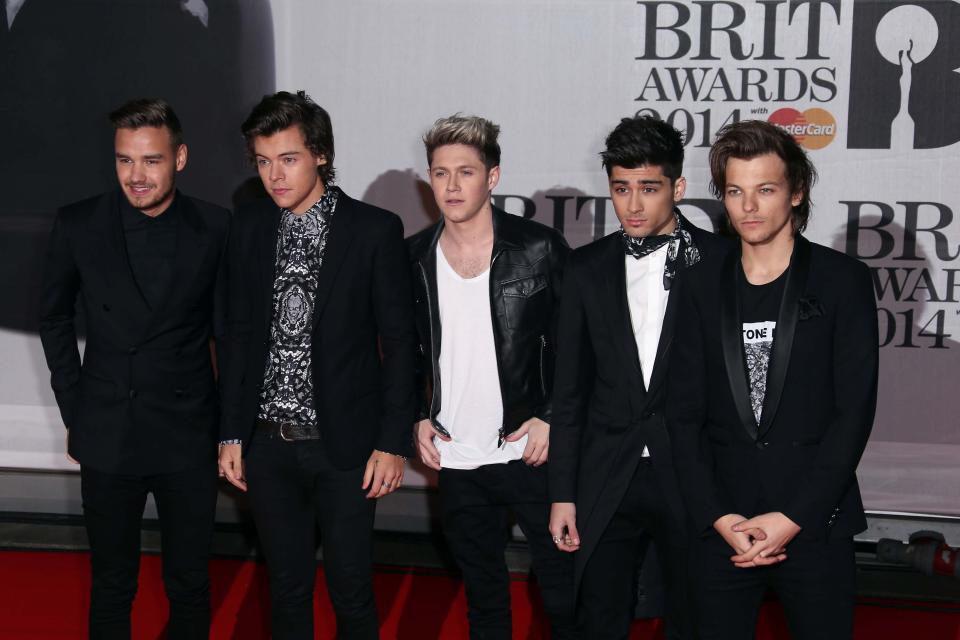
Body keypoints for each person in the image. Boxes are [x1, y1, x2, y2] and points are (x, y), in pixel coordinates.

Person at [667, 120, 878, 639]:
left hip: (815, 524)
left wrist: (794, 516)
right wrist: (719, 518)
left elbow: (853, 413)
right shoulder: (698, 287)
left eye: (765, 189)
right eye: (736, 192)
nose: (749, 207)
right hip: (724, 528)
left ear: (796, 192)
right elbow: (682, 413)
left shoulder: (842, 281)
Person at [217, 90, 416, 640]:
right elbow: (237, 338)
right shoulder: (251, 227)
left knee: (351, 591)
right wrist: (231, 431)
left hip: (345, 447)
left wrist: (392, 441)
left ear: (321, 154)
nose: (274, 176)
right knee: (286, 589)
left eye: (288, 159)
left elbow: (400, 345)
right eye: (262, 162)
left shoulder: (373, 230)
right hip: (268, 445)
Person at [38, 98, 229, 639]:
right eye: (125, 160)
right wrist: (78, 409)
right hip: (108, 433)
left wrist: (230, 428)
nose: (136, 176)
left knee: (189, 583)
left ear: (180, 158)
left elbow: (230, 336)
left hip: (187, 433)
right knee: (112, 583)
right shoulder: (78, 223)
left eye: (150, 161)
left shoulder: (215, 227)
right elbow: (53, 317)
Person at [548, 115, 728, 638]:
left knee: (693, 617)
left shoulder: (720, 263)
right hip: (608, 471)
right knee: (599, 617)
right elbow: (570, 389)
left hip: (692, 470)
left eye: (648, 189)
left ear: (679, 187)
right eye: (621, 189)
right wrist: (563, 492)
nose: (633, 204)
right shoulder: (586, 268)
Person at [408, 114, 576, 639]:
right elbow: (406, 350)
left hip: (530, 451)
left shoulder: (539, 248)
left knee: (564, 593)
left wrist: (550, 417)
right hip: (457, 455)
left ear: (493, 177)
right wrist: (417, 416)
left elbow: (579, 346)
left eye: (466, 172)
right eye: (440, 173)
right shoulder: (412, 256)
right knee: (483, 598)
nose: (452, 186)